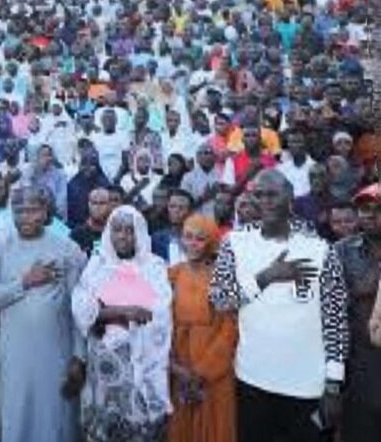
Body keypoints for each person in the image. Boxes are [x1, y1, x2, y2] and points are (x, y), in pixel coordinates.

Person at [209, 169, 348, 442]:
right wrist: (266, 277)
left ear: (290, 197)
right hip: (252, 381)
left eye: (273, 194)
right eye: (258, 195)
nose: (265, 201)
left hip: (308, 386)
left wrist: (334, 384)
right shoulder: (234, 243)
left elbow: (335, 320)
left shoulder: (321, 249)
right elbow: (219, 300)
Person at [0, 185, 87, 442]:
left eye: (33, 210)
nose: (26, 217)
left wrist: (79, 356)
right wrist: (25, 282)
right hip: (16, 353)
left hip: (57, 353)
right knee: (18, 414)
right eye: (19, 211)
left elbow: (79, 308)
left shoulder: (66, 248)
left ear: (46, 211)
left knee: (55, 416)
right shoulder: (0, 246)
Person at [72, 205, 173, 442]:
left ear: (140, 233)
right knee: (105, 424)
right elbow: (80, 305)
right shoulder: (97, 265)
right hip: (103, 364)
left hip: (140, 364)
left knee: (138, 424)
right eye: (117, 230)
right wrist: (122, 312)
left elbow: (159, 313)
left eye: (130, 230)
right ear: (109, 233)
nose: (123, 236)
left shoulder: (154, 267)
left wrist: (103, 313)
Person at [168, 214, 237, 442]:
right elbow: (162, 323)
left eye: (200, 238)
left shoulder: (223, 277)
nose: (193, 244)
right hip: (179, 365)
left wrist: (201, 374)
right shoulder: (173, 274)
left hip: (214, 368)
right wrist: (176, 368)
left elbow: (229, 330)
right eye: (188, 237)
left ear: (212, 241)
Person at [335, 183, 381, 442]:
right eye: (364, 209)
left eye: (378, 209)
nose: (369, 215)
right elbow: (329, 306)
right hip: (358, 358)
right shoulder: (342, 250)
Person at [70, 186, 121, 257]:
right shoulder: (77, 234)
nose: (97, 207)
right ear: (89, 205)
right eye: (94, 203)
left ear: (109, 205)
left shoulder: (118, 233)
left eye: (102, 203)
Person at [67, 149, 111, 229]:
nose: (87, 168)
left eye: (91, 164)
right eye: (84, 164)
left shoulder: (104, 184)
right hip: (74, 226)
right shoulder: (72, 184)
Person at [152, 189, 195, 266]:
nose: (176, 210)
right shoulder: (156, 240)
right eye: (172, 206)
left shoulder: (198, 240)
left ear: (190, 212)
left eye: (181, 207)